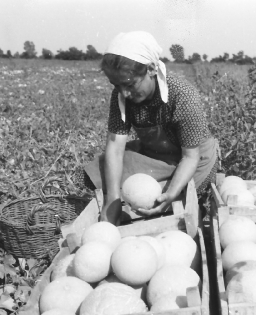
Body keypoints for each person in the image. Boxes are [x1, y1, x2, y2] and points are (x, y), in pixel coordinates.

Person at [82, 31, 218, 225]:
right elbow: (115, 146)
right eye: (116, 85)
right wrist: (112, 199)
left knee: (164, 197)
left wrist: (170, 193)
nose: (124, 93)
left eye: (129, 84)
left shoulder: (182, 95)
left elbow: (190, 156)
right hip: (155, 155)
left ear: (152, 69)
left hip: (192, 157)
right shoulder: (120, 94)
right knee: (99, 170)